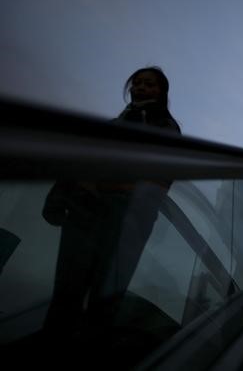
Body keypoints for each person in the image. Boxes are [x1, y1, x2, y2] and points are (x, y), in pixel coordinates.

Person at [42, 66, 180, 341]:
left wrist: (115, 186)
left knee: (105, 298)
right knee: (67, 292)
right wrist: (59, 197)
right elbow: (82, 158)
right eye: (137, 83)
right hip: (84, 213)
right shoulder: (114, 125)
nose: (141, 88)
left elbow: (163, 176)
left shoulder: (166, 127)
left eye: (149, 84)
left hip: (127, 219)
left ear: (161, 92)